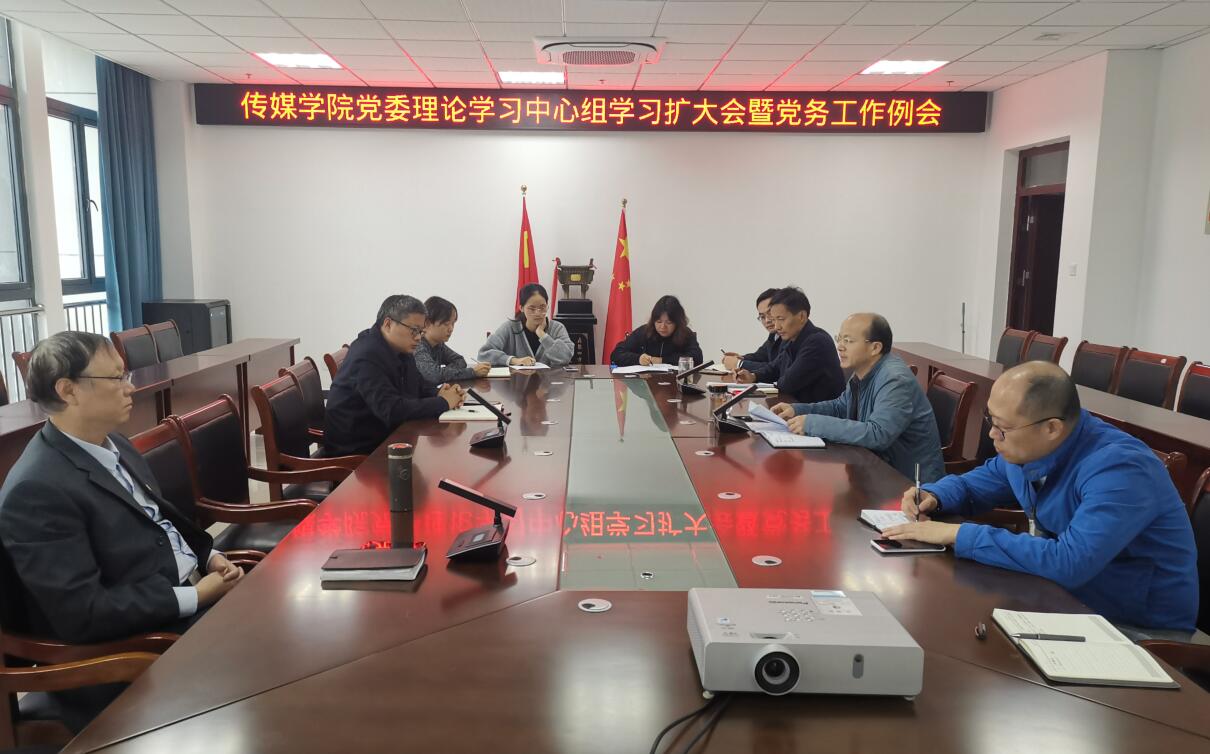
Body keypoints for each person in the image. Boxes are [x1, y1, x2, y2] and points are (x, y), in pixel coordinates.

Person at [0, 332, 244, 728]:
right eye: (116, 378)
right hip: (128, 652)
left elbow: (159, 522)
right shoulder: (37, 489)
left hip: (182, 602)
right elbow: (84, 613)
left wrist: (208, 556)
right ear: (68, 390)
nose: (130, 387)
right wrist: (194, 596)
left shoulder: (113, 443)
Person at [888, 361, 1198, 633]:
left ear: (1051, 428)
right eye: (991, 421)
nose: (993, 435)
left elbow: (1070, 562)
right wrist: (934, 495)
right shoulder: (1028, 448)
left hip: (1133, 626)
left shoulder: (1120, 469)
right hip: (1060, 596)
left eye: (1002, 428)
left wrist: (958, 534)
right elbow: (975, 485)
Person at [772, 313, 944, 482]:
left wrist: (812, 423)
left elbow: (878, 434)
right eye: (839, 338)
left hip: (910, 483)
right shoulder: (863, 370)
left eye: (848, 341)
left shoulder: (895, 379)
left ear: (875, 348)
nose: (840, 346)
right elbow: (840, 407)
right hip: (876, 469)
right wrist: (797, 410)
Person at [325, 295, 465, 456]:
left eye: (421, 331)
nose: (418, 337)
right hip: (359, 451)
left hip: (387, 437)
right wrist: (443, 402)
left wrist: (440, 392)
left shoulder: (400, 348)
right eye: (414, 330)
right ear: (388, 324)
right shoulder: (367, 355)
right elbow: (391, 410)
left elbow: (417, 385)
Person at [736, 286, 844, 403]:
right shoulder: (791, 339)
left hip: (818, 411)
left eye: (781, 319)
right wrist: (753, 376)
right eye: (774, 319)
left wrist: (760, 387)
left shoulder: (817, 342)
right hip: (797, 406)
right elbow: (774, 368)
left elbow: (787, 384)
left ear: (801, 316)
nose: (777, 326)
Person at [479, 283, 575, 368]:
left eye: (542, 307)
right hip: (516, 381)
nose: (538, 313)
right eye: (532, 308)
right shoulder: (509, 327)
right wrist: (514, 360)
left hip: (550, 382)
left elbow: (566, 358)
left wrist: (542, 335)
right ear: (521, 308)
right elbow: (483, 355)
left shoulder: (557, 328)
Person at [609, 295, 704, 367]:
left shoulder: (685, 334)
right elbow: (616, 354)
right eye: (659, 322)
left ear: (677, 322)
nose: (663, 327)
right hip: (646, 383)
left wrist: (662, 360)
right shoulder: (644, 332)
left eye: (669, 322)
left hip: (675, 383)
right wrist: (638, 359)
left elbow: (697, 358)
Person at [415, 296, 490, 384]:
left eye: (453, 323)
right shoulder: (417, 345)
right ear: (426, 324)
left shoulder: (439, 345)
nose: (451, 329)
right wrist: (472, 372)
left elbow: (460, 361)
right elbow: (434, 376)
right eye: (446, 324)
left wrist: (443, 372)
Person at [721, 287, 780, 373]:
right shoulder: (774, 335)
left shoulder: (789, 336)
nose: (767, 320)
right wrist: (741, 358)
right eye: (762, 316)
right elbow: (760, 356)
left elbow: (777, 368)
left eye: (770, 313)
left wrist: (739, 364)